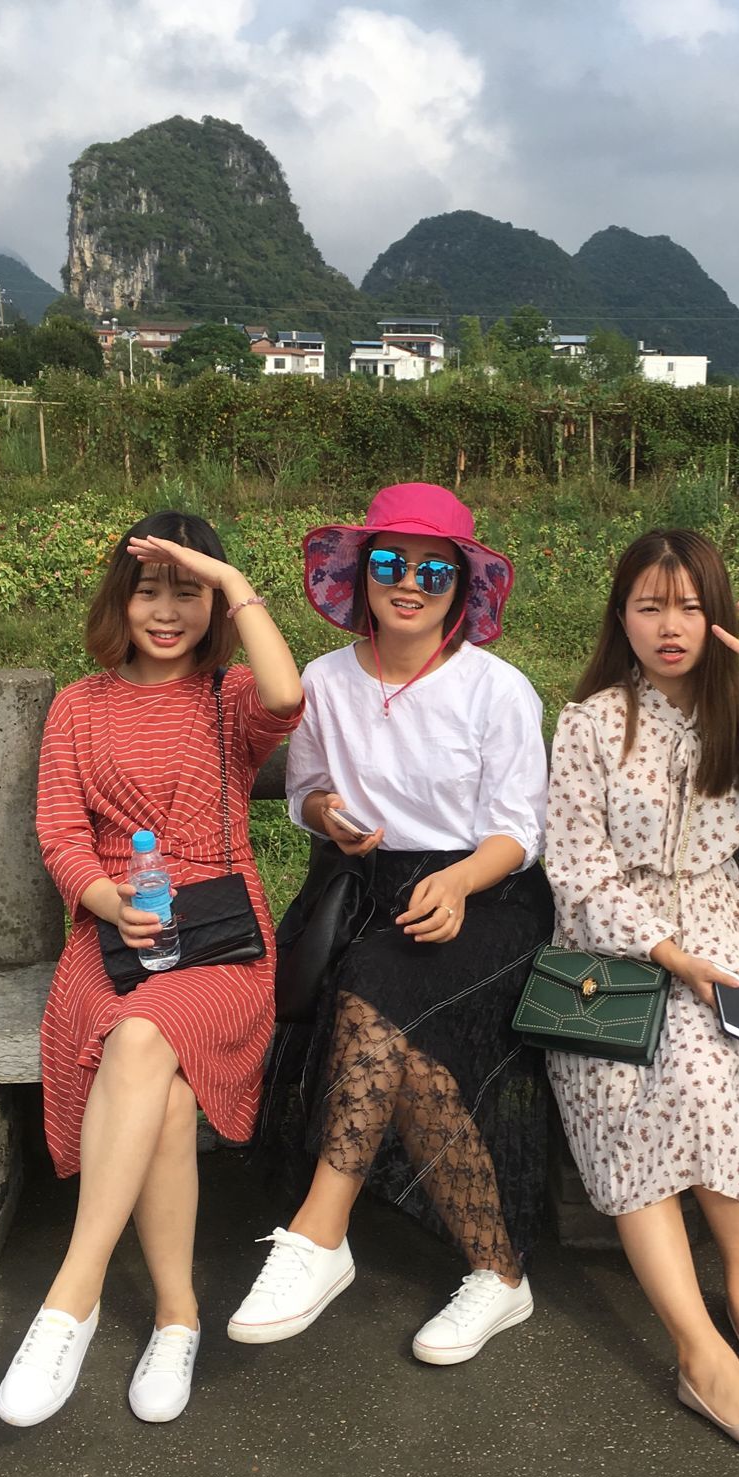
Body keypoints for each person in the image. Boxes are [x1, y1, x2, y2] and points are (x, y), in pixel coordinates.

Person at [544, 528, 739, 1458]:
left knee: (725, 1061)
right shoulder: (592, 721)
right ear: (621, 617)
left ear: (716, 615)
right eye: (648, 606)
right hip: (610, 949)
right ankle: (698, 1351)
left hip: (720, 930)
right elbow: (577, 870)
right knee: (653, 1076)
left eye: (687, 606)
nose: (669, 626)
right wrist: (670, 957)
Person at [231, 483, 553, 1364]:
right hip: (364, 890)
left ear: (462, 588)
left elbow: (518, 830)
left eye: (433, 571)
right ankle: (498, 1273)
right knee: (400, 1037)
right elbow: (305, 791)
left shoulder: (497, 690)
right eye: (389, 562)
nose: (408, 583)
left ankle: (317, 1233)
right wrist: (327, 815)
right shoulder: (324, 681)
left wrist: (458, 882)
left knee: (374, 990)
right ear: (360, 573)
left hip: (485, 896)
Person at [0, 511, 303, 1428]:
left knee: (142, 1037)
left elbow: (287, 696)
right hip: (114, 933)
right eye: (148, 591)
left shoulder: (227, 695)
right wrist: (106, 901)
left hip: (220, 941)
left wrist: (231, 578)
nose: (166, 613)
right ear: (118, 600)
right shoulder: (79, 705)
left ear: (214, 603)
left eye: (188, 593)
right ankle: (177, 1318)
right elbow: (59, 832)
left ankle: (71, 1297)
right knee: (160, 1086)